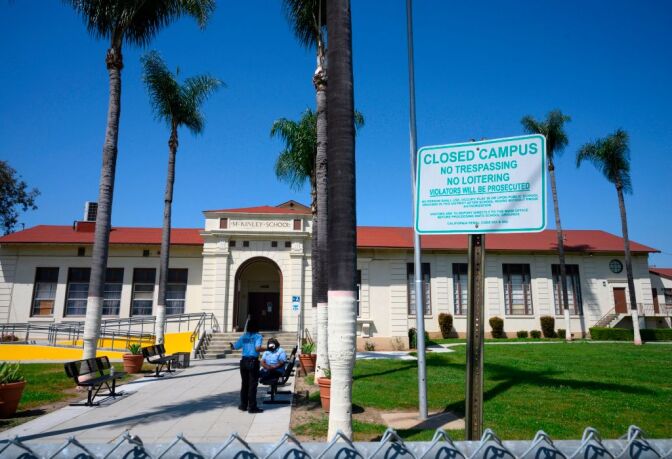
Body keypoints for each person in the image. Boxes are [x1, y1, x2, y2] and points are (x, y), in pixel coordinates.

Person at [230, 320, 264, 413]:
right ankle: (252, 407)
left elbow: (235, 347)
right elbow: (257, 348)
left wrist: (232, 346)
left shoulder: (244, 336)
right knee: (252, 385)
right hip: (253, 362)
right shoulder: (258, 336)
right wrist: (267, 348)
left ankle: (243, 405)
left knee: (244, 384)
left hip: (243, 362)